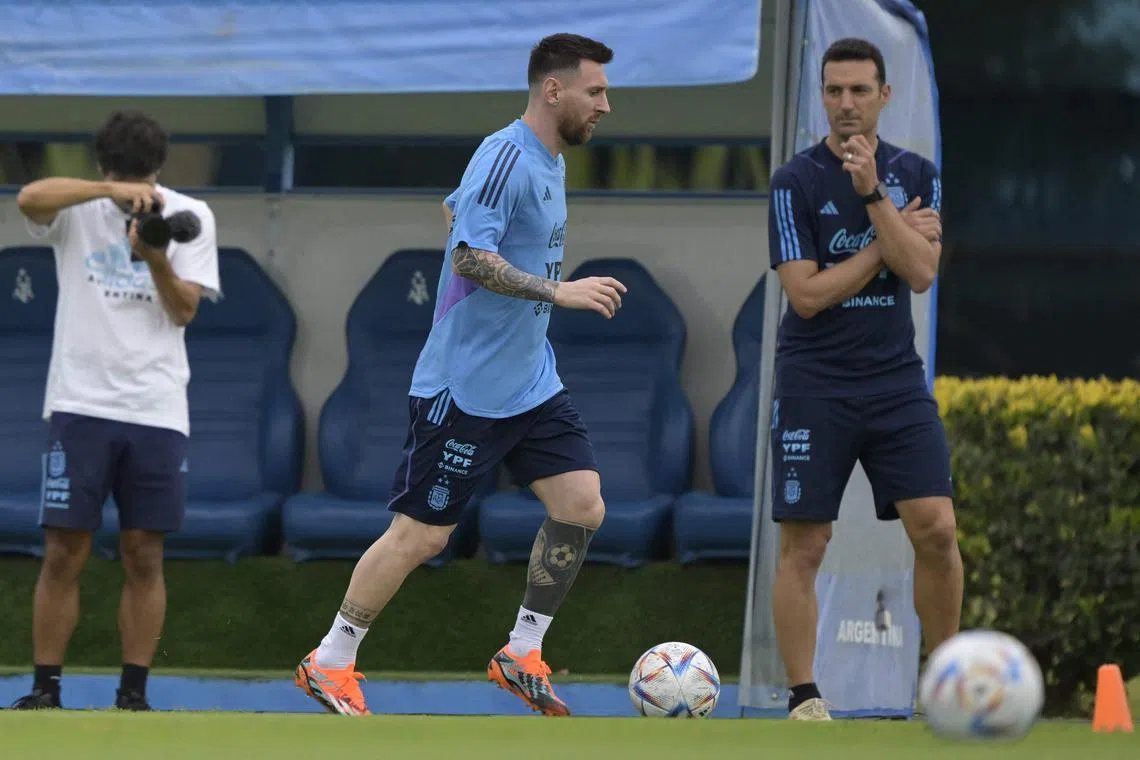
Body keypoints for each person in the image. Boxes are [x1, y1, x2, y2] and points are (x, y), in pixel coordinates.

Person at [294, 32, 623, 718]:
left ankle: (521, 652)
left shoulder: (549, 161)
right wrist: (556, 292)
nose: (606, 106)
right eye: (595, 92)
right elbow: (471, 255)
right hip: (464, 388)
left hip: (530, 381)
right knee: (423, 535)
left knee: (582, 504)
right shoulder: (504, 153)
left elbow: (456, 213)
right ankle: (331, 660)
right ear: (553, 90)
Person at [765, 37, 963, 720]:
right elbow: (807, 295)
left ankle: (947, 683)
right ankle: (804, 697)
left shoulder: (916, 173)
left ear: (885, 95)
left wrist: (873, 195)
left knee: (936, 527)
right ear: (822, 96)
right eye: (833, 90)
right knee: (806, 541)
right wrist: (888, 241)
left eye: (858, 90)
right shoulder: (794, 181)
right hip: (813, 382)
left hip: (894, 383)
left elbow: (922, 273)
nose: (845, 104)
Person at [11, 110, 221, 711]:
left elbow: (183, 311)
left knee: (144, 551)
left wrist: (154, 255)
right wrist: (108, 191)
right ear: (105, 168)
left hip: (155, 405)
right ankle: (44, 689)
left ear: (158, 170)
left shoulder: (189, 216)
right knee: (62, 549)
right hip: (78, 403)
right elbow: (29, 197)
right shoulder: (79, 205)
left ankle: (133, 692)